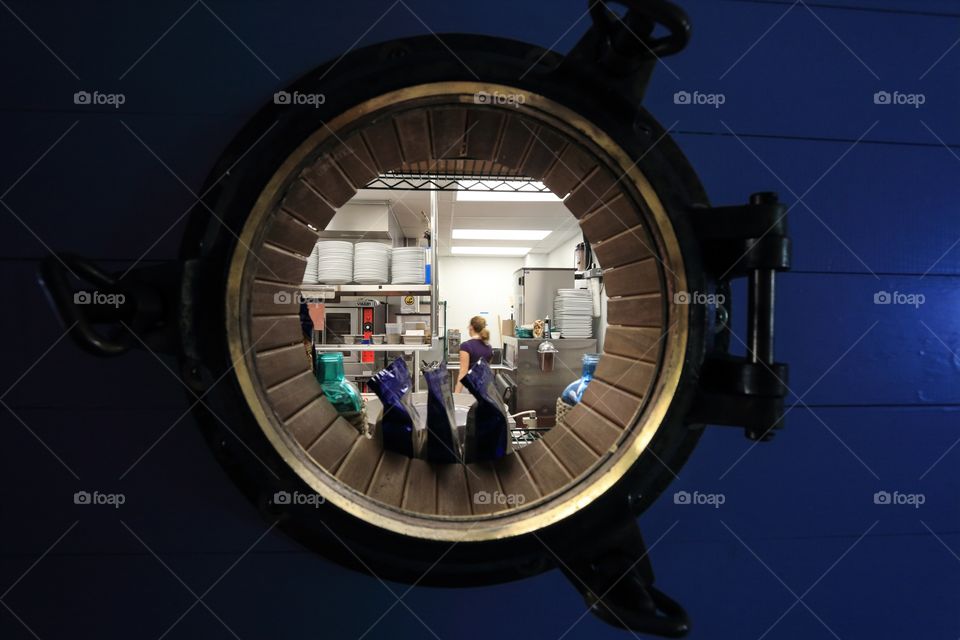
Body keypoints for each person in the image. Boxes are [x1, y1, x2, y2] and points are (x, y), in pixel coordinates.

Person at [455, 315, 494, 393]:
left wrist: (456, 394)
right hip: (484, 388)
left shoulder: (466, 346)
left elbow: (463, 372)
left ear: (471, 327)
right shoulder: (488, 347)